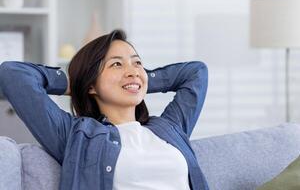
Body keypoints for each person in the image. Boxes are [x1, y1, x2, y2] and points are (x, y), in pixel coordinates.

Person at [0, 29, 209, 190]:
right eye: (116, 64)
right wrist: (77, 81)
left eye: (137, 63)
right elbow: (13, 74)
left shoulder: (170, 128)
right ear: (91, 85)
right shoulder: (76, 136)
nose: (132, 70)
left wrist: (137, 81)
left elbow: (196, 73)